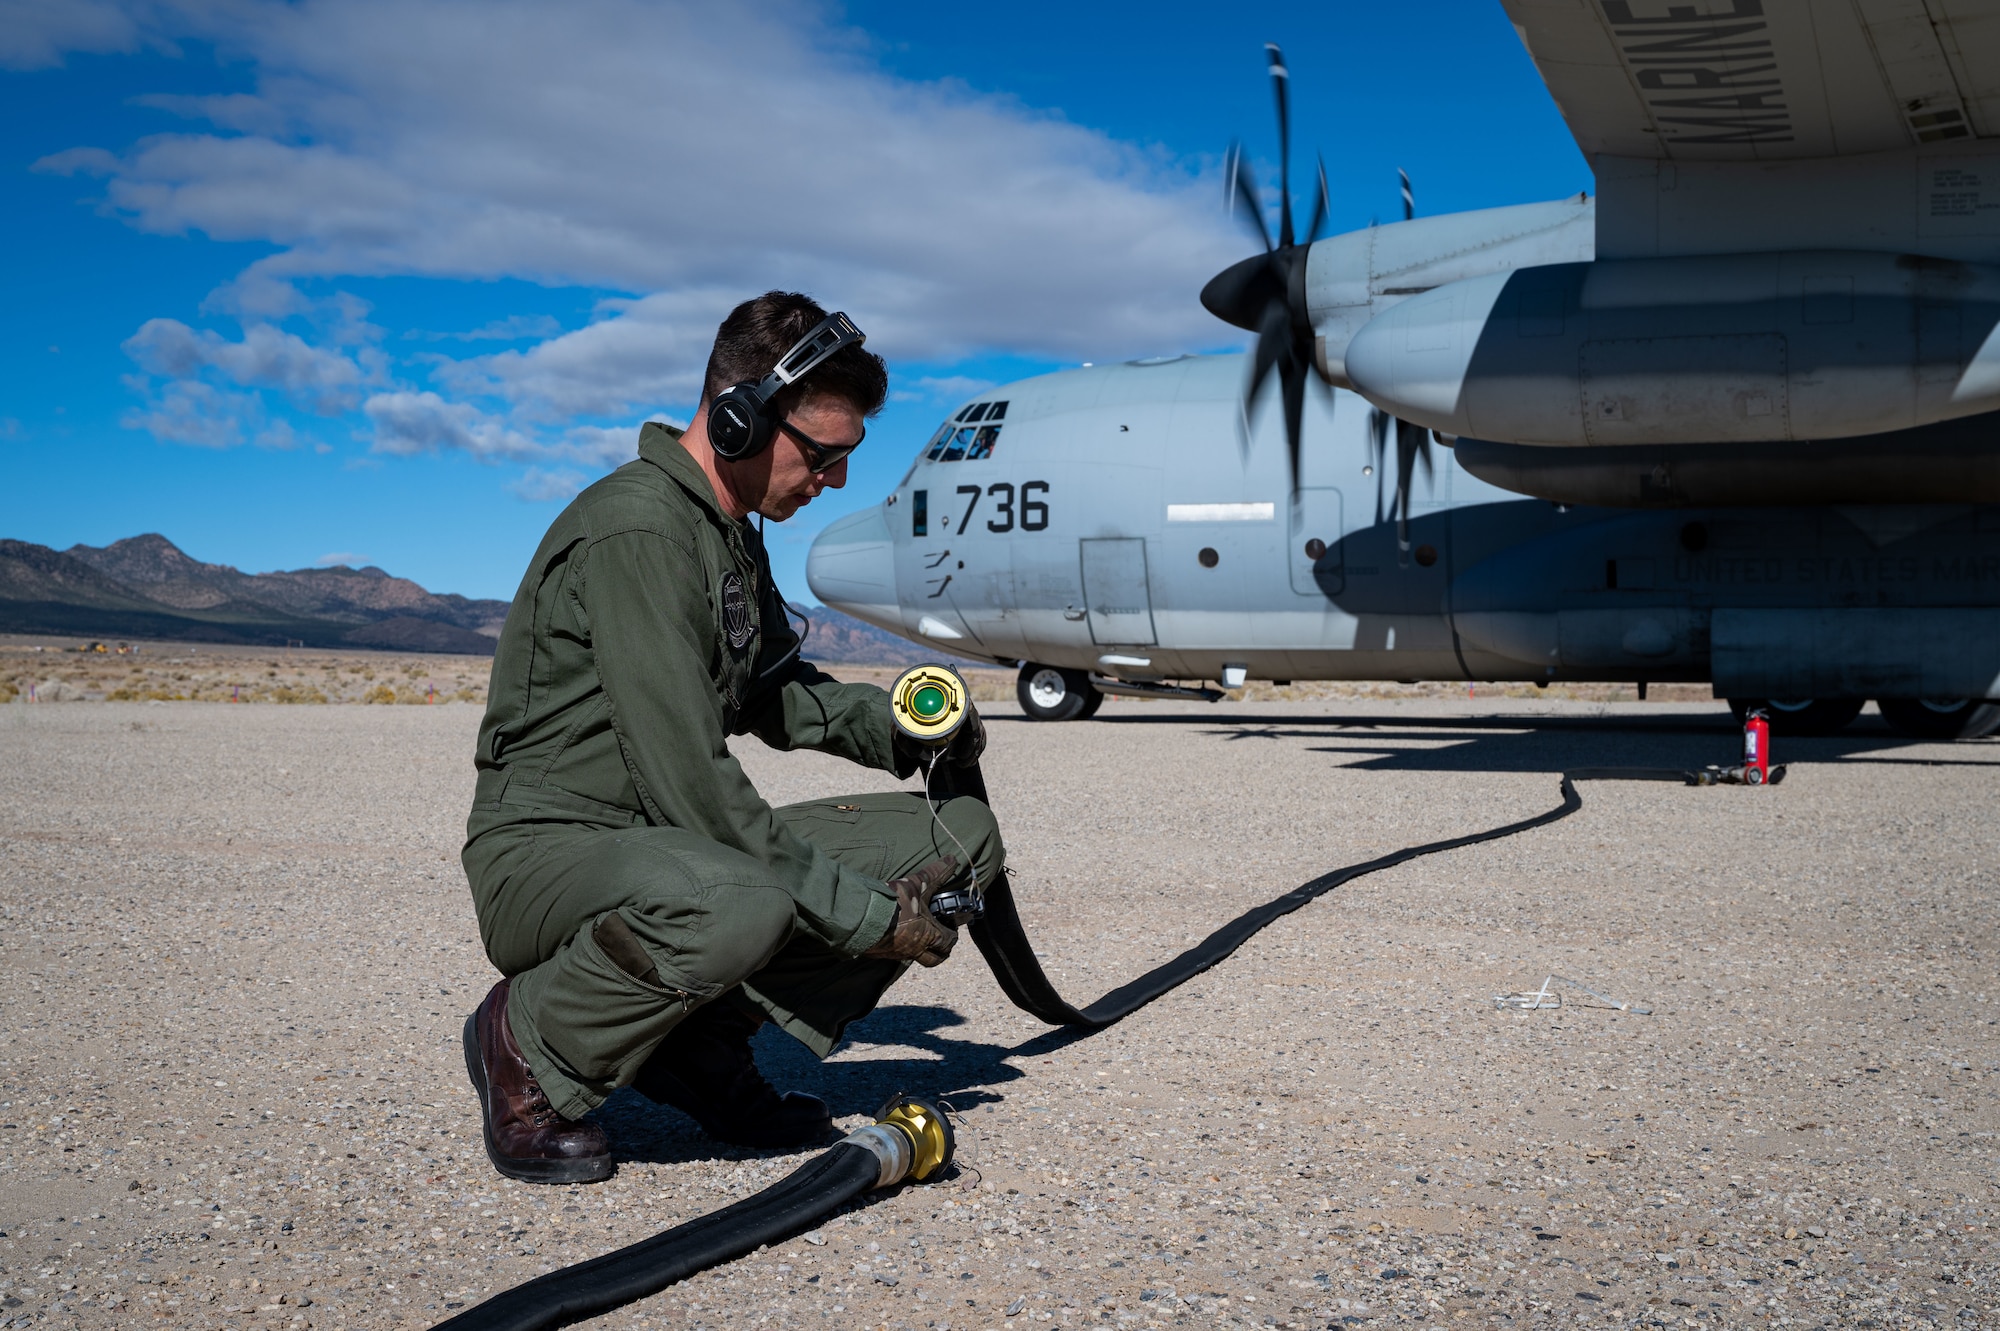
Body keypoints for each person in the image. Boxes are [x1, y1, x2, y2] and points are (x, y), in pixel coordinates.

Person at [459, 291, 1000, 1184]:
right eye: (822, 457)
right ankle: (528, 1042)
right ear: (739, 417)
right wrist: (869, 920)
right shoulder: (639, 530)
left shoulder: (728, 535)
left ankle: (694, 1050)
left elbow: (778, 696)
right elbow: (696, 788)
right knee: (737, 897)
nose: (834, 483)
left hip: (664, 847)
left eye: (847, 460)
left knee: (956, 842)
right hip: (551, 853)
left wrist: (909, 726)